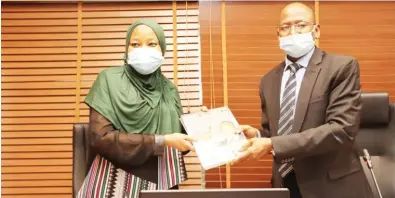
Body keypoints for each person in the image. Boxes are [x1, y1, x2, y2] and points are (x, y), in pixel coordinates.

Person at [232, 2, 373, 198]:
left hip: (332, 187)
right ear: (278, 34)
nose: (293, 32)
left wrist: (272, 144)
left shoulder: (341, 67)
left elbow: (341, 129)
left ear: (316, 30)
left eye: (301, 25)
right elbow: (277, 132)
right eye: (285, 27)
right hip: (286, 185)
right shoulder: (268, 80)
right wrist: (256, 134)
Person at [77, 19, 204, 198]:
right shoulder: (109, 79)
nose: (143, 49)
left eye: (152, 44)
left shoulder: (169, 89)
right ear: (127, 49)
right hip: (114, 182)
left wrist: (200, 123)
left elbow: (180, 144)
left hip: (162, 183)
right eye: (135, 44)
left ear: (162, 49)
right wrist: (161, 141)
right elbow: (101, 139)